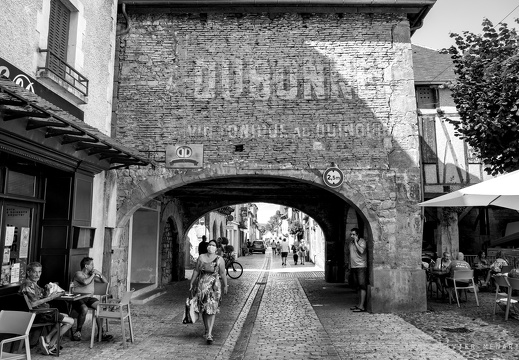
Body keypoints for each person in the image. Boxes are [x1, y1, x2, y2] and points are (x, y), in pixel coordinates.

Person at [20, 262, 74, 355]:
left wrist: (47, 290)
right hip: (38, 314)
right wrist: (51, 297)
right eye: (35, 272)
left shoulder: (33, 284)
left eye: (39, 272)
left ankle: (48, 338)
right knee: (70, 322)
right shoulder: (28, 285)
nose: (38, 274)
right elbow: (33, 303)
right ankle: (51, 345)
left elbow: (41, 297)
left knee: (65, 316)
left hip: (42, 312)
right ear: (28, 273)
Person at [189, 240, 228, 345]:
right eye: (210, 245)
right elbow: (196, 270)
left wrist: (225, 285)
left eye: (213, 245)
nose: (211, 246)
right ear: (207, 247)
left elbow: (223, 273)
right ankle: (207, 329)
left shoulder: (220, 259)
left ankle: (209, 334)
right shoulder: (201, 257)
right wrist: (192, 282)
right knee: (205, 309)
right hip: (202, 287)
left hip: (214, 288)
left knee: (212, 309)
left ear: (216, 248)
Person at [71, 257, 113, 342]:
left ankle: (100, 333)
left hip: (89, 298)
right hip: (78, 297)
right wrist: (93, 275)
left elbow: (105, 282)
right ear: (86, 266)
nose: (93, 267)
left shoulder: (91, 276)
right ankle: (78, 331)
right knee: (84, 309)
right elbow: (85, 282)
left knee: (99, 308)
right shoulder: (78, 274)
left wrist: (99, 274)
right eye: (92, 265)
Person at [349, 228, 367, 312]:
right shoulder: (350, 243)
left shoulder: (362, 242)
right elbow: (350, 255)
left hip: (361, 267)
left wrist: (356, 242)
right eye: (351, 234)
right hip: (353, 267)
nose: (352, 236)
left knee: (362, 286)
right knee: (358, 287)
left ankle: (362, 306)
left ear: (357, 235)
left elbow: (361, 251)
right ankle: (359, 304)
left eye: (353, 234)